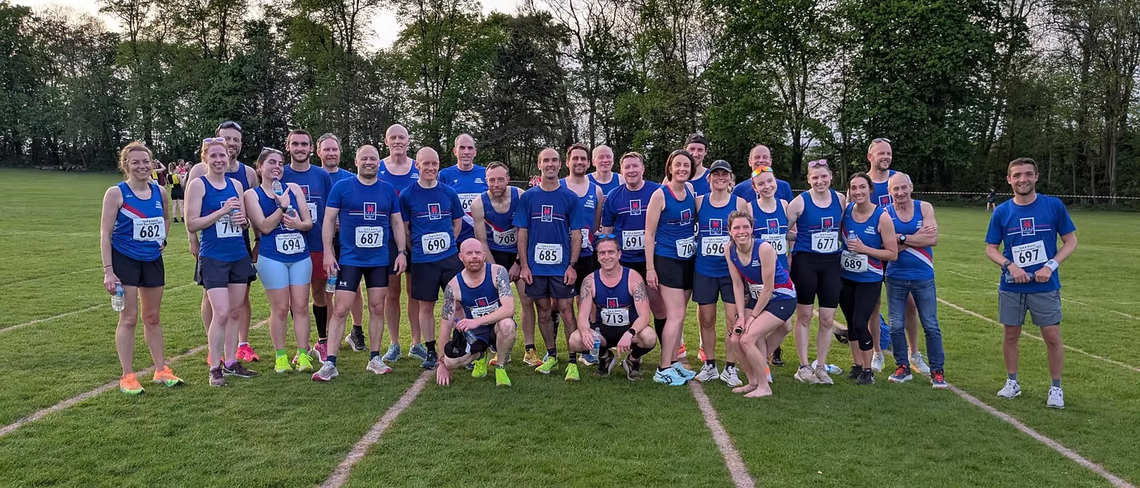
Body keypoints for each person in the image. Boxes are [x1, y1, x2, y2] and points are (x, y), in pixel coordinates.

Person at [985, 157, 1077, 409]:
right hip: (1011, 285)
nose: (1022, 179)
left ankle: (1056, 388)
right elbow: (991, 249)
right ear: (1009, 180)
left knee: (1052, 335)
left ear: (1036, 177)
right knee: (1011, 334)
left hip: (1045, 286)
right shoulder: (1002, 211)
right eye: (1017, 175)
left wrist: (1050, 266)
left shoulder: (1053, 206)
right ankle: (1012, 382)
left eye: (1027, 174)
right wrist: (1010, 265)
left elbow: (1071, 242)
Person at [313, 145, 409, 382]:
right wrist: (327, 251)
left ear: (379, 163)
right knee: (341, 308)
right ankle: (330, 363)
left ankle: (375, 358)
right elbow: (328, 220)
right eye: (364, 158)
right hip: (350, 259)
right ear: (356, 161)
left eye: (373, 159)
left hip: (378, 260)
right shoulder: (342, 187)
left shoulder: (388, 190)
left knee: (377, 307)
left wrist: (401, 252)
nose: (369, 162)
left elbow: (397, 224)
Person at [100, 141, 183, 394]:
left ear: (152, 163)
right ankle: (128, 375)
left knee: (153, 317)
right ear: (126, 165)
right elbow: (105, 233)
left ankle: (161, 370)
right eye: (135, 162)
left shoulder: (161, 192)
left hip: (152, 261)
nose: (142, 166)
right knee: (129, 318)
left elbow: (166, 219)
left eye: (145, 161)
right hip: (125, 260)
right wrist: (108, 270)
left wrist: (163, 240)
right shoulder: (116, 193)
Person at [185, 137, 259, 386]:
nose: (218, 160)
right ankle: (214, 367)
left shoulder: (236, 185)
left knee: (235, 311)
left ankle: (231, 362)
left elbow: (244, 221)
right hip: (213, 255)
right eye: (213, 156)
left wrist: (243, 222)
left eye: (222, 156)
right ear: (205, 158)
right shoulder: (198, 184)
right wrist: (221, 212)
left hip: (238, 254)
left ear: (229, 158)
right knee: (222, 312)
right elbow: (191, 223)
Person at [513, 148, 585, 379]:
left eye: (554, 160)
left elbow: (577, 234)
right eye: (546, 160)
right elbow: (522, 233)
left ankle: (572, 360)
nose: (550, 164)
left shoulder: (570, 198)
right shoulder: (528, 197)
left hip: (561, 267)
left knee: (566, 310)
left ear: (560, 165)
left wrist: (572, 265)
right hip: (535, 268)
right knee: (543, 311)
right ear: (539, 165)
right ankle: (552, 355)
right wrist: (524, 265)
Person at [243, 148, 315, 374]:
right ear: (260, 166)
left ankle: (303, 354)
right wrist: (282, 206)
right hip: (272, 256)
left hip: (300, 255)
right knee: (281, 307)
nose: (276, 166)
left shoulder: (293, 189)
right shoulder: (252, 195)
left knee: (301, 306)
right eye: (271, 162)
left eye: (280, 163)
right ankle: (281, 356)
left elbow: (308, 223)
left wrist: (298, 225)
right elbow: (263, 226)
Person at [400, 147, 465, 370]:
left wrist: (449, 244)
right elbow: (406, 229)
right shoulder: (408, 194)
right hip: (422, 261)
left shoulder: (449, 192)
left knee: (458, 304)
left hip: (449, 259)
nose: (430, 167)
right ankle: (429, 349)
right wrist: (417, 248)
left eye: (434, 163)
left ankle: (460, 345)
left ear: (439, 165)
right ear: (417, 165)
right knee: (426, 307)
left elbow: (457, 223)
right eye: (425, 164)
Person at [785, 159, 846, 385]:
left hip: (831, 264)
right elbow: (782, 231)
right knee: (805, 315)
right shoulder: (799, 203)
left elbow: (845, 229)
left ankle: (821, 365)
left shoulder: (840, 200)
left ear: (830, 176)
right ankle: (803, 366)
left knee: (828, 319)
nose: (819, 181)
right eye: (815, 177)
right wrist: (801, 238)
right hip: (806, 264)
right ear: (808, 180)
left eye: (823, 177)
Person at [600, 152, 667, 357]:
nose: (631, 171)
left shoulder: (658, 191)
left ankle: (667, 356)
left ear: (643, 169)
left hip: (651, 259)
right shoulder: (613, 196)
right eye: (627, 167)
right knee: (623, 307)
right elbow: (606, 232)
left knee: (658, 306)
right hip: (624, 262)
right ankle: (621, 351)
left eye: (635, 166)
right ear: (621, 171)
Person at [865, 137, 923, 374]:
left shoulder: (898, 180)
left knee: (910, 304)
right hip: (874, 253)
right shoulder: (863, 183)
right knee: (873, 304)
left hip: (900, 254)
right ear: (871, 157)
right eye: (881, 153)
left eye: (888, 153)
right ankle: (877, 352)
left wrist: (900, 240)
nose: (885, 157)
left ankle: (914, 353)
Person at [885, 172, 948, 388]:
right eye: (896, 189)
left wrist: (901, 238)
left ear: (911, 187)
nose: (900, 192)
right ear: (889, 191)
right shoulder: (885, 212)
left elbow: (933, 239)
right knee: (895, 325)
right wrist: (915, 237)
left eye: (904, 187)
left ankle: (937, 371)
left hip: (923, 275)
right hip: (895, 276)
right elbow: (888, 248)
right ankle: (902, 366)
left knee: (931, 324)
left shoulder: (924, 207)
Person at [725, 211, 797, 397]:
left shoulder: (764, 249)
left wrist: (751, 319)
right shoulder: (729, 249)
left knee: (747, 338)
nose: (742, 231)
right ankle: (752, 381)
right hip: (759, 297)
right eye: (736, 228)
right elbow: (738, 284)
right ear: (730, 231)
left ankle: (764, 386)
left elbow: (768, 288)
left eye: (745, 227)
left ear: (752, 229)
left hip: (781, 296)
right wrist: (741, 316)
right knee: (735, 338)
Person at [692, 160, 749, 386]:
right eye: (715, 174)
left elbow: (747, 233)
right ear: (709, 178)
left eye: (724, 174)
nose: (720, 178)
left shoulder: (740, 203)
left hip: (731, 271)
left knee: (732, 320)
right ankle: (710, 365)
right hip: (704, 270)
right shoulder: (699, 202)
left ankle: (730, 368)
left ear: (730, 178)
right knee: (706, 319)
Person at [644, 149, 699, 385]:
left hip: (688, 259)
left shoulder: (690, 191)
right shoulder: (660, 195)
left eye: (686, 165)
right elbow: (649, 233)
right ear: (670, 168)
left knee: (680, 315)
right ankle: (663, 367)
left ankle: (674, 362)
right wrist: (650, 268)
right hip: (666, 259)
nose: (682, 169)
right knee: (674, 316)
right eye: (678, 165)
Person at [281, 130, 335, 364]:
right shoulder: (280, 173)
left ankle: (322, 342)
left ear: (311, 148)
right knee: (296, 300)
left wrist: (329, 245)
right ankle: (300, 347)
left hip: (317, 243)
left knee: (319, 294)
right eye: (295, 144)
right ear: (288, 147)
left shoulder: (322, 175)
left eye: (304, 144)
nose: (300, 148)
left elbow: (331, 211)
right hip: (289, 245)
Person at [569, 236, 657, 380]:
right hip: (602, 330)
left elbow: (645, 316)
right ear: (597, 256)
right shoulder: (589, 281)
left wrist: (630, 333)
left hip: (629, 329)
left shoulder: (633, 277)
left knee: (649, 337)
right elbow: (583, 317)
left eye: (611, 252)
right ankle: (605, 357)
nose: (606, 257)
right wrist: (585, 332)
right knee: (575, 340)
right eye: (602, 253)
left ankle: (632, 360)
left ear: (619, 254)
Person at [838, 173, 897, 385]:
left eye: (862, 187)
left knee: (860, 322)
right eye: (853, 188)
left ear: (870, 189)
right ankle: (856, 365)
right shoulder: (845, 213)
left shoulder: (881, 217)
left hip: (870, 278)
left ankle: (868, 369)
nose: (858, 192)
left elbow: (892, 253)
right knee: (851, 324)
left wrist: (865, 249)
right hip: (846, 276)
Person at [377, 124, 428, 364]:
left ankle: (416, 343)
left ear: (408, 141)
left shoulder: (418, 168)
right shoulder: (378, 168)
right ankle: (394, 343)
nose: (398, 141)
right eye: (393, 137)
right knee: (392, 293)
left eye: (402, 137)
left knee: (414, 293)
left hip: (416, 238)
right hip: (388, 239)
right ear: (386, 141)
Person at [435, 239, 517, 386]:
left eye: (478, 253)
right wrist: (442, 363)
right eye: (469, 253)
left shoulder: (498, 272)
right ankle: (480, 355)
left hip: (496, 326)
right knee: (451, 362)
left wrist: (476, 321)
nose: (474, 257)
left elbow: (509, 308)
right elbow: (445, 325)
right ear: (461, 257)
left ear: (484, 255)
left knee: (507, 324)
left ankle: (500, 367)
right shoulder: (453, 286)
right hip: (475, 334)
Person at [471, 162, 529, 366]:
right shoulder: (478, 203)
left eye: (500, 179)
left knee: (527, 301)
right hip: (493, 257)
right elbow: (482, 243)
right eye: (491, 180)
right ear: (486, 181)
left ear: (508, 179)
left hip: (518, 255)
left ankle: (530, 349)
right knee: (493, 304)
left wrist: (519, 262)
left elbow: (525, 232)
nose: (496, 183)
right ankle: (496, 346)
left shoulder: (520, 196)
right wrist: (495, 271)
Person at [317, 133, 366, 351]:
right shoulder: (314, 176)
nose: (331, 153)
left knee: (354, 288)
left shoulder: (349, 177)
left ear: (340, 151)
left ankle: (356, 331)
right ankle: (328, 335)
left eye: (334, 149)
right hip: (321, 242)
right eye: (326, 149)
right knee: (326, 289)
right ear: (318, 152)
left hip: (348, 243)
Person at [560, 143, 604, 365]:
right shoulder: (557, 186)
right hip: (560, 256)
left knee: (588, 300)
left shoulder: (596, 190)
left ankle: (589, 346)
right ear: (567, 162)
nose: (579, 162)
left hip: (587, 254)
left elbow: (596, 225)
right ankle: (568, 348)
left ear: (588, 163)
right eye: (575, 158)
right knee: (560, 303)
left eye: (583, 159)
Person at [748, 167, 795, 369]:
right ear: (754, 187)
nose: (767, 186)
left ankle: (760, 359)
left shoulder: (784, 205)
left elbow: (788, 234)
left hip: (781, 274)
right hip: (758, 275)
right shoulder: (751, 208)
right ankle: (761, 366)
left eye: (770, 181)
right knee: (758, 323)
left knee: (785, 325)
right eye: (761, 184)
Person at [439, 133, 487, 243]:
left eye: (470, 148)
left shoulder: (485, 173)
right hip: (456, 238)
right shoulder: (444, 175)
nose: (466, 152)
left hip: (482, 239)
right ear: (455, 151)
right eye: (462, 148)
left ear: (475, 152)